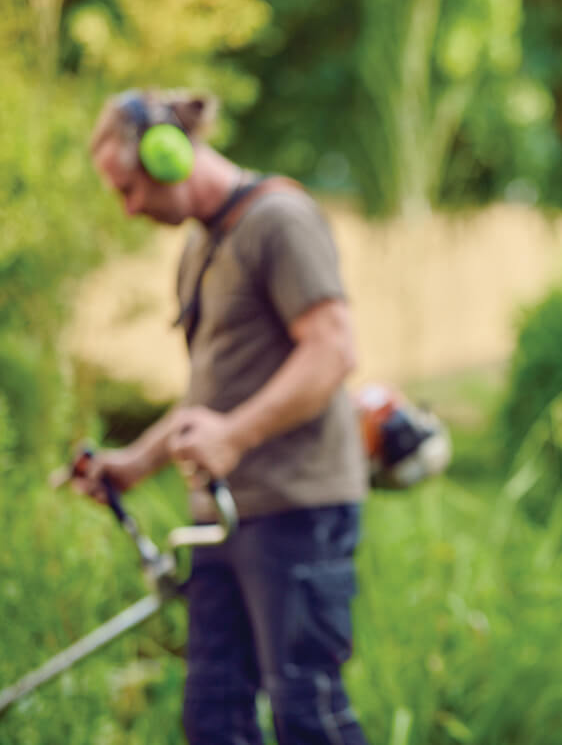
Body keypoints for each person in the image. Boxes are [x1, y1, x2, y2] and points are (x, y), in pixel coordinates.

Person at [80, 88, 369, 744]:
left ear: (168, 154)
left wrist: (235, 436)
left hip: (299, 513)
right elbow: (209, 396)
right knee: (213, 718)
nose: (128, 209)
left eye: (129, 190)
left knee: (308, 715)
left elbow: (332, 349)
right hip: (222, 519)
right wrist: (133, 465)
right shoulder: (202, 247)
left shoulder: (280, 222)